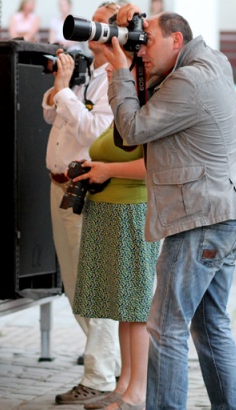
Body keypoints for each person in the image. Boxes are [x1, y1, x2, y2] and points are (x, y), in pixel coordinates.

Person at [102, 5, 236, 410]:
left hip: (200, 220)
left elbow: (133, 129)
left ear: (177, 40)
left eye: (147, 40)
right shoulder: (212, 62)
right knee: (211, 326)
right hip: (227, 214)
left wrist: (120, 70)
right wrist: (138, 54)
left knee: (165, 327)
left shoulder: (188, 79)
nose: (141, 48)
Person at [42, 1, 121, 406]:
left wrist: (64, 95)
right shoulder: (87, 73)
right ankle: (107, 364)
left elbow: (95, 133)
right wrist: (62, 86)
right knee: (74, 287)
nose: (92, 31)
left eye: (101, 25)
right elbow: (49, 113)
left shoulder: (118, 80)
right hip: (61, 186)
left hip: (88, 188)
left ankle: (101, 375)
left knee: (93, 288)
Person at [72, 124, 160, 410]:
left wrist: (107, 171)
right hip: (107, 211)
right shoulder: (124, 111)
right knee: (123, 307)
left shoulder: (147, 110)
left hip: (131, 212)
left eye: (116, 73)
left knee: (135, 307)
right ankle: (124, 386)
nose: (110, 75)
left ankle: (138, 393)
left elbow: (155, 166)